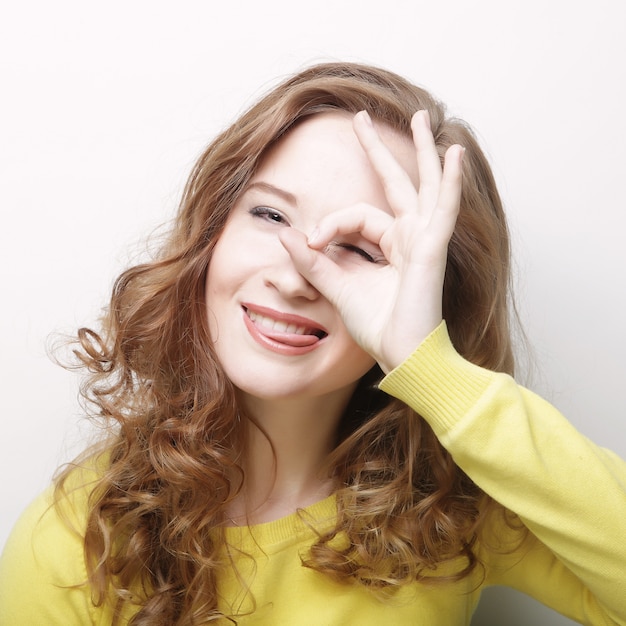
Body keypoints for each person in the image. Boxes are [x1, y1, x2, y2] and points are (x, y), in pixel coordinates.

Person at [0, 62, 624, 626]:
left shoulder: (456, 507)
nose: (296, 275)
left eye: (361, 248)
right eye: (270, 216)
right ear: (209, 238)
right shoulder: (74, 539)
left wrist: (429, 366)